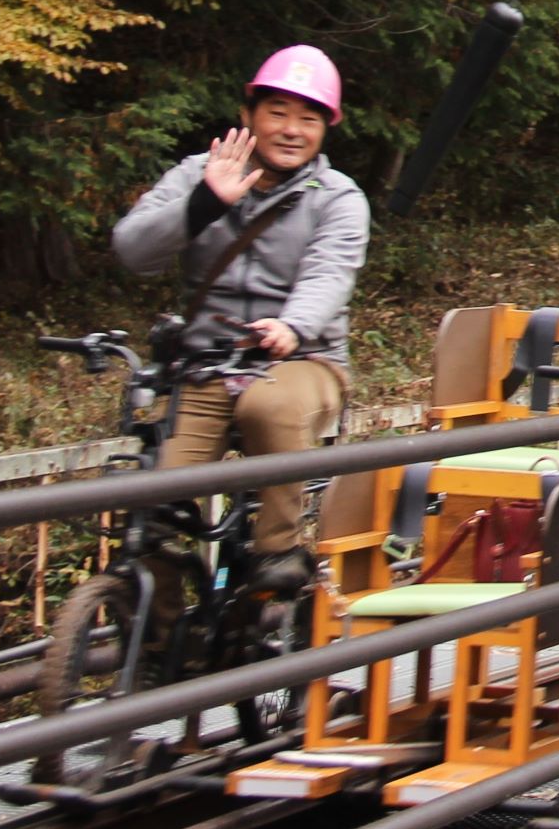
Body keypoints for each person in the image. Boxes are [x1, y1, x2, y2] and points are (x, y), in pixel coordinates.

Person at [112, 44, 370, 591]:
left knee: (269, 403)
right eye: (277, 112)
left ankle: (277, 548)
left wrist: (292, 325)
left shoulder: (338, 198)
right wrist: (205, 202)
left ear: (326, 129)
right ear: (249, 115)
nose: (292, 129)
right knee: (147, 506)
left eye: (308, 118)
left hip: (304, 361)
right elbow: (132, 252)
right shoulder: (199, 173)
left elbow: (331, 273)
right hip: (208, 366)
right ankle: (160, 648)